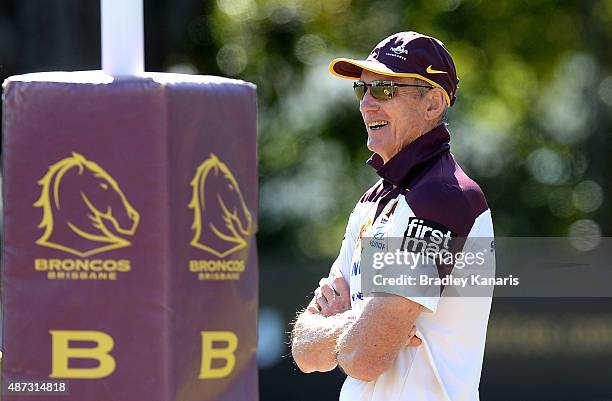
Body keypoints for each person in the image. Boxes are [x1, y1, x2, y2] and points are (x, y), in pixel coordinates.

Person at [291, 31, 495, 401]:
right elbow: (304, 352)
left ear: (433, 102)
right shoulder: (374, 199)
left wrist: (350, 328)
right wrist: (361, 322)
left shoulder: (445, 198)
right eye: (362, 90)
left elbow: (365, 358)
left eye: (384, 90)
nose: (366, 105)